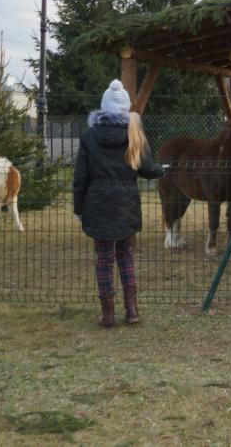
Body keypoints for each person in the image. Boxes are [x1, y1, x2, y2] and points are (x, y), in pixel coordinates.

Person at [73, 80, 166, 327]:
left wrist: (79, 208)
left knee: (104, 259)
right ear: (126, 107)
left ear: (103, 107)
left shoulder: (89, 136)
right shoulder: (134, 133)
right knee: (125, 256)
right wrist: (162, 170)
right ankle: (132, 310)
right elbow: (147, 169)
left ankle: (108, 314)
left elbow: (81, 177)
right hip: (126, 205)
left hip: (98, 205)